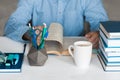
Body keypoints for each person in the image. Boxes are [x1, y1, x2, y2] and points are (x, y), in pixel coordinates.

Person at [4, 0, 108, 49]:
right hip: (39, 50)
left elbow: (103, 24)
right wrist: (28, 33)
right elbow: (12, 24)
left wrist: (99, 34)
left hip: (75, 52)